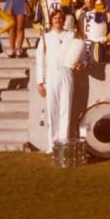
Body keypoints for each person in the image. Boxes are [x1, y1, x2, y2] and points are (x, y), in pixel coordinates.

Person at [35, 8, 85, 147]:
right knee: (52, 110)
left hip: (66, 74)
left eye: (60, 18)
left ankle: (63, 143)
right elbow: (40, 60)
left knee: (65, 109)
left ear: (64, 20)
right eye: (55, 18)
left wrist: (81, 64)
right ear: (51, 20)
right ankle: (52, 145)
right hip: (51, 75)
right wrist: (40, 82)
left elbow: (81, 56)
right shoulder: (45, 37)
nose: (58, 20)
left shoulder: (71, 35)